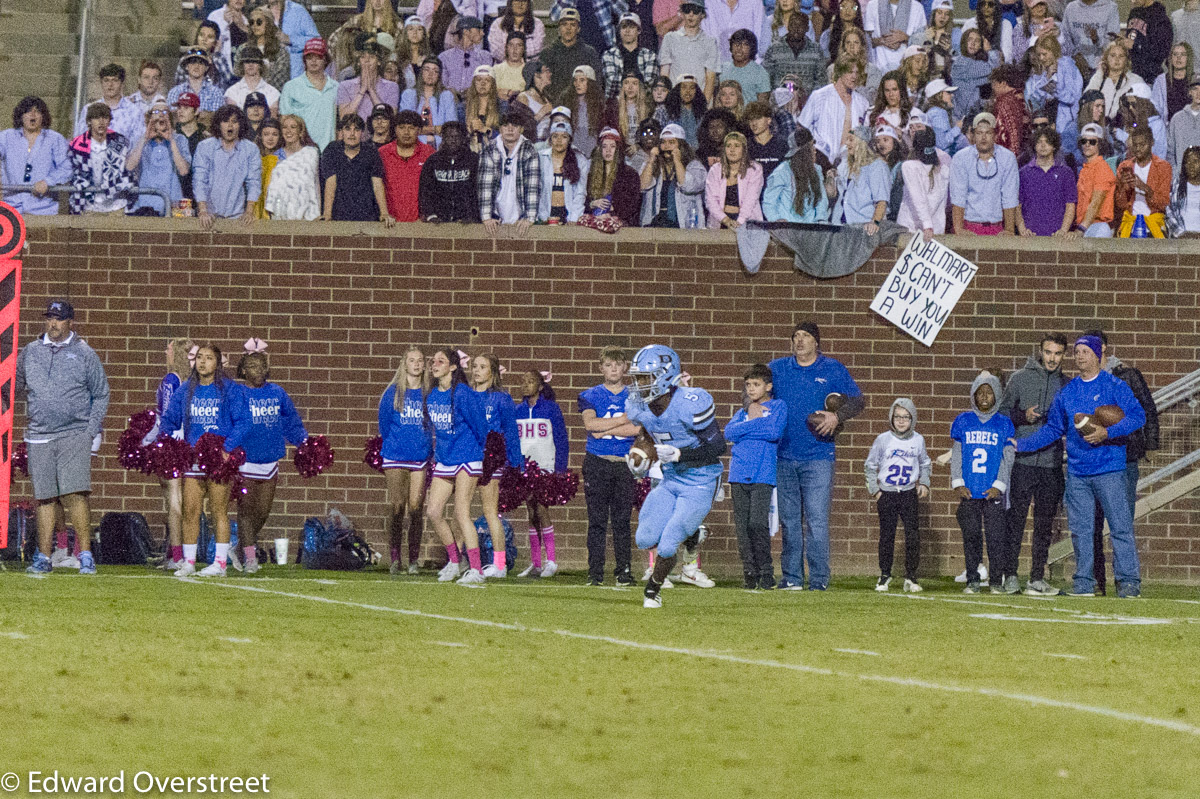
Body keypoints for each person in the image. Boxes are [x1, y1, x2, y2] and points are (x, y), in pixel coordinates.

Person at [1014, 335, 1146, 598]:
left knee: (1119, 527)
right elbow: (1053, 427)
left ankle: (1129, 581)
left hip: (1110, 468)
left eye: (1085, 351)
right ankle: (1083, 583)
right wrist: (1022, 445)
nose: (1080, 356)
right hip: (1078, 472)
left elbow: (1137, 416)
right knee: (1082, 531)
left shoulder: (1114, 385)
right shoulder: (1069, 391)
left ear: (1098, 355)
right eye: (1077, 352)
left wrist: (1107, 433)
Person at [623, 345, 726, 609]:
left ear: (666, 376)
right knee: (645, 539)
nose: (639, 385)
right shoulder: (641, 406)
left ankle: (653, 590)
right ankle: (691, 534)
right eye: (637, 378)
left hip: (701, 480)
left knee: (668, 545)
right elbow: (647, 433)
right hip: (671, 480)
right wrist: (640, 456)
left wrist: (681, 455)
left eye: (645, 378)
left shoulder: (690, 403)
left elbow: (718, 448)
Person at [769, 321, 864, 591]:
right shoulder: (777, 369)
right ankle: (792, 578)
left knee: (817, 520)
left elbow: (858, 401)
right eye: (796, 336)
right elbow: (754, 389)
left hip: (819, 455)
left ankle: (819, 580)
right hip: (784, 454)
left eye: (806, 336)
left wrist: (837, 415)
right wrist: (751, 406)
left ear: (816, 342)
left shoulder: (832, 369)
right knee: (789, 520)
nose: (800, 341)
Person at [17, 301, 110, 576]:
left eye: (59, 319)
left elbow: (101, 393)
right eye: (50, 318)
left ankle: (85, 555)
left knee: (74, 494)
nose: (53, 324)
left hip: (73, 434)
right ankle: (44, 557)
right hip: (39, 435)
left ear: (70, 322)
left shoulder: (84, 353)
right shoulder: (30, 352)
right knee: (45, 498)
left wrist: (89, 430)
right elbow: (17, 384)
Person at [224, 345, 308, 575]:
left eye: (261, 365)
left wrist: (305, 443)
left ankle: (239, 548)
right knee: (246, 512)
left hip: (270, 460)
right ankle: (250, 558)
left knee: (263, 512)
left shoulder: (277, 393)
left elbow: (291, 422)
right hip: (245, 460)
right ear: (242, 370)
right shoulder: (238, 393)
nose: (258, 370)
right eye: (252, 366)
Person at [1086, 329, 1159, 595]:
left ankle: (1126, 581)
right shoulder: (1083, 382)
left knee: (1121, 522)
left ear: (1104, 348)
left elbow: (1147, 409)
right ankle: (1095, 582)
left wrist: (1149, 444)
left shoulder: (1127, 376)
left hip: (1124, 458)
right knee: (1092, 523)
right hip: (1094, 460)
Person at [998, 334, 1068, 596]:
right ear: (1040, 351)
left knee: (1044, 524)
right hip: (1022, 462)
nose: (1052, 358)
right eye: (1048, 352)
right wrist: (1023, 416)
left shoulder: (1066, 384)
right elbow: (1003, 415)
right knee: (1014, 521)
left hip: (1051, 464)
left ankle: (1037, 577)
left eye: (1058, 353)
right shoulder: (1019, 378)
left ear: (1064, 355)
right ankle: (1011, 574)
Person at [160, 344, 238, 578]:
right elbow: (169, 419)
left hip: (219, 458)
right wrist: (167, 444)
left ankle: (220, 564)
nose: (203, 362)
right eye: (199, 358)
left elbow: (243, 421)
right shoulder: (185, 390)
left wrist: (227, 447)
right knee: (190, 510)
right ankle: (189, 562)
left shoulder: (229, 390)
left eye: (209, 358)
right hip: (193, 459)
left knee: (218, 510)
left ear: (218, 363)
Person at [423, 347, 489, 585]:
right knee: (433, 511)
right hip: (445, 458)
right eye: (433, 361)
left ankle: (476, 569)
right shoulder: (431, 395)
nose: (434, 364)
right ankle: (454, 561)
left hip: (467, 456)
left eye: (441, 361)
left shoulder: (462, 393)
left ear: (452, 367)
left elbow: (481, 425)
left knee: (461, 512)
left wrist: (477, 452)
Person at [579, 345, 640, 586]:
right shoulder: (590, 394)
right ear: (601, 368)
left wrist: (608, 425)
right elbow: (590, 426)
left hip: (624, 463)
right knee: (596, 520)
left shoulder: (635, 395)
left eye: (618, 364)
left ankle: (623, 572)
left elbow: (638, 429)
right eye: (608, 365)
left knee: (622, 520)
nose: (613, 369)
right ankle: (595, 573)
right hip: (597, 462)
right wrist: (625, 419)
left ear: (625, 367)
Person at [950, 372, 1015, 594]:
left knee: (996, 538)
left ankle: (996, 581)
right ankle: (973, 579)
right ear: (973, 395)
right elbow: (957, 454)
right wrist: (957, 482)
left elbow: (1008, 458)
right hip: (970, 491)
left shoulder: (1004, 423)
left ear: (997, 395)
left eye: (989, 392)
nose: (985, 396)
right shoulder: (963, 421)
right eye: (980, 392)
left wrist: (1000, 485)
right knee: (971, 537)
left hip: (992, 491)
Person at [724, 364, 786, 590]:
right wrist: (753, 421)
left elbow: (773, 432)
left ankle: (766, 571)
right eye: (748, 385)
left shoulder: (778, 406)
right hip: (738, 473)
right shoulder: (742, 412)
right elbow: (729, 433)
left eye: (756, 384)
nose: (751, 389)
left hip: (762, 474)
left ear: (768, 386)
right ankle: (749, 571)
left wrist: (749, 425)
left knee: (757, 523)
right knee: (742, 526)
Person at [865, 398, 930, 593]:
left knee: (912, 536)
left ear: (913, 419)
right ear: (891, 418)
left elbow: (925, 463)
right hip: (888, 493)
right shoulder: (883, 439)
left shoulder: (918, 440)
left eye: (906, 417)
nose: (901, 421)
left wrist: (924, 483)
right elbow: (870, 465)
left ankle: (911, 576)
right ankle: (885, 574)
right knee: (887, 535)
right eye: (897, 417)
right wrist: (875, 491)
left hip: (908, 493)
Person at [377, 347, 432, 574]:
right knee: (397, 506)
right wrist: (395, 444)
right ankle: (394, 558)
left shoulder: (429, 393)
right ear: (404, 364)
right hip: (395, 456)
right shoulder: (392, 392)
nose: (417, 364)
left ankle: (413, 560)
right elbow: (384, 424)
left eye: (420, 360)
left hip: (419, 456)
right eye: (412, 360)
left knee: (416, 507)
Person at [469, 354, 523, 579]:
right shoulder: (468, 396)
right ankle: (462, 562)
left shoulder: (501, 398)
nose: (477, 370)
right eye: (474, 366)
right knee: (459, 512)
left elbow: (511, 431)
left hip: (493, 459)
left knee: (490, 511)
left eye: (482, 367)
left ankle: (499, 563)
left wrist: (515, 463)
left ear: (493, 372)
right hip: (469, 457)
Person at [514, 370, 569, 578]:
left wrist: (560, 469)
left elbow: (562, 440)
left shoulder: (551, 409)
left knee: (542, 510)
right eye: (523, 381)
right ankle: (536, 563)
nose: (526, 385)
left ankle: (551, 560)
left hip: (545, 466)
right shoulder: (517, 410)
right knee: (531, 513)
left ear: (540, 386)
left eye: (531, 382)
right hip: (524, 469)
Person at [153, 338, 194, 572]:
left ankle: (177, 555)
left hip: (172, 441)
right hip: (187, 441)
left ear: (176, 354)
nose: (165, 352)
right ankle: (174, 552)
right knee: (178, 502)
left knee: (174, 502)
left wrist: (159, 441)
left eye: (168, 349)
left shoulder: (171, 380)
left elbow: (168, 413)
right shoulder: (192, 382)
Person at [949, 111, 1020, 234]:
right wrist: (959, 229)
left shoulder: (1008, 158)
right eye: (979, 133)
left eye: (988, 133)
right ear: (972, 135)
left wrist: (1009, 230)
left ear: (995, 135)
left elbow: (1010, 196)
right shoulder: (961, 158)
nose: (983, 137)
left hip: (997, 229)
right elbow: (958, 196)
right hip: (969, 227)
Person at [0, 96, 71, 216]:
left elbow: (68, 166)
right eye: (28, 111)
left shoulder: (55, 139)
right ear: (21, 116)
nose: (32, 115)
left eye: (37, 111)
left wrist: (48, 181)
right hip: (11, 206)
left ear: (43, 116)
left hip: (44, 207)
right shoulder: (6, 137)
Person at [193, 105, 261, 229]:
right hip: (209, 216)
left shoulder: (251, 149)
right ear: (219, 124)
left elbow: (254, 182)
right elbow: (199, 180)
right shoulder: (205, 147)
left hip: (237, 216)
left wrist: (249, 212)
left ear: (240, 125)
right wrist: (203, 211)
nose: (230, 126)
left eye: (234, 122)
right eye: (225, 121)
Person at [478, 111, 541, 236]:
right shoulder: (490, 149)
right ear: (500, 128)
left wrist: (529, 217)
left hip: (521, 213)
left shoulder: (530, 149)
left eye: (515, 126)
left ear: (521, 129)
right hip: (496, 214)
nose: (510, 129)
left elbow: (533, 185)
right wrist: (486, 216)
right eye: (506, 125)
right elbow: (485, 185)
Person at [319, 113, 391, 223]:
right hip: (339, 214)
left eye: (356, 129)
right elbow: (330, 182)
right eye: (347, 129)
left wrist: (384, 213)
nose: (352, 134)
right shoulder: (332, 150)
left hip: (367, 215)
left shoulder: (370, 152)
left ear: (362, 133)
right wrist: (327, 214)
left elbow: (377, 183)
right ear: (341, 132)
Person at [126, 103, 192, 216]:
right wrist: (145, 139)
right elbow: (129, 166)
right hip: (146, 202)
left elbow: (184, 171)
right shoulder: (140, 139)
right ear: (150, 118)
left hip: (173, 201)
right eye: (156, 112)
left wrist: (171, 140)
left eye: (165, 112)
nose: (161, 115)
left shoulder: (180, 139)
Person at [67, 103, 134, 216]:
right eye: (97, 118)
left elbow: (126, 170)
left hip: (116, 206)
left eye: (105, 117)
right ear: (89, 121)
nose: (101, 121)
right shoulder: (77, 145)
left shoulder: (119, 142)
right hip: (89, 206)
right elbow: (74, 173)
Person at [798, 57, 869, 161]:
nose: (854, 76)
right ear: (840, 72)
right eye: (850, 72)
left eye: (857, 72)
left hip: (850, 161)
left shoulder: (862, 103)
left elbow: (864, 135)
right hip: (820, 158)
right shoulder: (819, 96)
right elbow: (803, 127)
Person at [638, 122, 708, 226]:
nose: (666, 146)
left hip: (683, 224)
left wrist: (677, 161)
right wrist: (651, 160)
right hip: (654, 223)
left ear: (681, 145)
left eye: (671, 142)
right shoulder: (651, 164)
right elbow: (642, 185)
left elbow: (687, 185)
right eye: (663, 142)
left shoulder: (694, 166)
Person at [1025, 35, 1084, 158]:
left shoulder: (1067, 66)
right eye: (1039, 55)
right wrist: (1046, 80)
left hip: (1067, 123)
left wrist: (1054, 89)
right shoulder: (1046, 70)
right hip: (1050, 120)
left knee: (1066, 157)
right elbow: (1034, 99)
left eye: (1044, 54)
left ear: (1053, 52)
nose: (1041, 58)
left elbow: (1072, 97)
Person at [280, 38, 339, 151]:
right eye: (309, 57)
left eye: (318, 57)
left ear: (326, 60)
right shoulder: (291, 86)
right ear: (304, 60)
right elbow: (284, 120)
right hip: (301, 151)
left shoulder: (336, 87)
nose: (313, 61)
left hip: (329, 150)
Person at [1016, 127, 1077, 236]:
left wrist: (1063, 230)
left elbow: (1070, 205)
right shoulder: (1023, 173)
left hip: (1057, 237)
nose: (1043, 145)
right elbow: (1017, 205)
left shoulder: (1066, 173)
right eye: (1039, 142)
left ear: (1054, 146)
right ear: (1034, 145)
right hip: (1030, 237)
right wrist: (1022, 230)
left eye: (1047, 142)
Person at [1113, 125, 1172, 237]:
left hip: (1153, 224)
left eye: (1142, 145)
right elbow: (1120, 204)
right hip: (1130, 224)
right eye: (1135, 145)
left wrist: (1144, 188)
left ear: (1152, 143)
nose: (1138, 148)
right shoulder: (1124, 166)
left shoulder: (1163, 167)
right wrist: (1122, 187)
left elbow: (1163, 203)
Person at [763, 126, 831, 222]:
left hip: (811, 228)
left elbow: (821, 199)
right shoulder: (782, 172)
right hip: (787, 228)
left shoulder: (817, 170)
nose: (815, 150)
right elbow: (769, 202)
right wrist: (776, 219)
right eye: (811, 146)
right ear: (803, 151)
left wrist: (820, 219)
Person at [418, 121, 481, 222]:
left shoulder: (474, 160)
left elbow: (479, 191)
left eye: (457, 137)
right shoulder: (433, 161)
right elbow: (425, 191)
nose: (453, 140)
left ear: (464, 139)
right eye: (449, 137)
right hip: (439, 222)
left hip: (468, 221)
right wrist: (431, 215)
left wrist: (473, 215)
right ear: (443, 138)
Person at [658, 1, 720, 101]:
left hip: (699, 101)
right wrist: (667, 101)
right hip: (674, 101)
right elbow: (664, 74)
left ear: (702, 14)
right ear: (682, 14)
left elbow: (710, 77)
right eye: (687, 10)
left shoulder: (710, 42)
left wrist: (704, 104)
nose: (691, 14)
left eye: (695, 11)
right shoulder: (670, 38)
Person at [380, 110, 435, 222]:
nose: (406, 132)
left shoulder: (429, 153)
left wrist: (426, 216)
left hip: (420, 224)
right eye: (402, 127)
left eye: (411, 128)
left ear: (419, 130)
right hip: (389, 223)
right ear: (395, 130)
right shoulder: (382, 153)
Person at [832, 127, 891, 230]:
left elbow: (882, 201)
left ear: (861, 143)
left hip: (862, 227)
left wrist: (875, 222)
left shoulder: (877, 166)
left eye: (851, 139)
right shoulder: (847, 165)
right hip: (840, 225)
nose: (846, 143)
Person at [897, 126, 949, 240]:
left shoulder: (944, 169)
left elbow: (941, 204)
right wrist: (928, 225)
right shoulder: (909, 167)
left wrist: (933, 228)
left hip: (933, 231)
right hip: (910, 228)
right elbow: (918, 197)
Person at [264, 115, 319, 220]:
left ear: (301, 131)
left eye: (293, 127)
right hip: (281, 215)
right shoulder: (275, 157)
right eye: (285, 127)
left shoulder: (311, 153)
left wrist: (318, 211)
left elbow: (315, 184)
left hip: (307, 215)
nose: (288, 131)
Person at [586, 127, 644, 226]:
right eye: (604, 146)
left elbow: (633, 205)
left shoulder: (629, 174)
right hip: (595, 220)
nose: (608, 150)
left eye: (612, 146)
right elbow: (584, 201)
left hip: (620, 224)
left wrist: (612, 210)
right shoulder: (592, 174)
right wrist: (593, 204)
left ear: (617, 149)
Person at [705, 129, 763, 228]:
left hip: (746, 221)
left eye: (737, 146)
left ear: (744, 149)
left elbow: (751, 199)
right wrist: (725, 220)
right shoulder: (715, 169)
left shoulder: (754, 169)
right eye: (728, 146)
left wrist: (739, 222)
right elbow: (710, 200)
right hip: (720, 221)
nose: (732, 150)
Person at [1070, 121, 1117, 237]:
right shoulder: (1085, 169)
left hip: (1098, 226)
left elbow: (1096, 202)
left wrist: (1081, 229)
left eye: (1092, 142)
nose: (1087, 144)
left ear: (1099, 144)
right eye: (1084, 141)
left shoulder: (1102, 168)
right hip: (1086, 225)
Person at [762, 12, 827, 95]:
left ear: (807, 28)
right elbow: (766, 78)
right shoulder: (774, 48)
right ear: (788, 27)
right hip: (779, 100)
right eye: (793, 25)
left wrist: (808, 98)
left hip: (807, 101)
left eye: (800, 25)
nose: (796, 29)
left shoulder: (816, 49)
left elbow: (821, 80)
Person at [339, 37, 401, 123]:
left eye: (372, 57)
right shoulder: (344, 85)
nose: (367, 60)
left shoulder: (392, 87)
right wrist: (362, 91)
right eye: (363, 57)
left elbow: (390, 118)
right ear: (358, 62)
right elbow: (343, 117)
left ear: (379, 61)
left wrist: (371, 91)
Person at [74, 63, 142, 141]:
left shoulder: (134, 112)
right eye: (106, 80)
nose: (110, 85)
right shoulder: (88, 110)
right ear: (101, 83)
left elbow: (137, 143)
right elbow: (79, 139)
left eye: (115, 80)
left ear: (122, 83)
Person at [538, 120, 589, 222]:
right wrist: (541, 216)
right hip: (545, 213)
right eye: (555, 136)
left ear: (569, 140)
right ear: (550, 139)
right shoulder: (540, 157)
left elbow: (580, 193)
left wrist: (574, 218)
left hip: (569, 214)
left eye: (564, 136)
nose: (559, 140)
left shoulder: (580, 160)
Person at [401, 57, 457, 148]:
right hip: (413, 145)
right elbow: (405, 126)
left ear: (439, 75)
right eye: (427, 70)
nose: (430, 74)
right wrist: (435, 129)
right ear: (421, 72)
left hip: (440, 147)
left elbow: (451, 128)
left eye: (435, 71)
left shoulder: (446, 96)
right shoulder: (409, 94)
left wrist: (419, 130)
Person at [1084, 41, 1147, 121]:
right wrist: (1100, 73)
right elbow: (1086, 101)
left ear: (1126, 60)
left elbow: (1145, 108)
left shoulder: (1136, 80)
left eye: (1121, 56)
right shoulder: (1099, 77)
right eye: (1113, 55)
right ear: (1106, 58)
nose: (1117, 59)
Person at [604, 13, 661, 98]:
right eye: (624, 27)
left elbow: (649, 84)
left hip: (643, 103)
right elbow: (611, 83)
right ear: (619, 31)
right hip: (616, 103)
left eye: (631, 27)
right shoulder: (609, 55)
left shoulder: (650, 55)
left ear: (639, 31)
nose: (627, 31)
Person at [168, 48, 228, 127]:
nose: (196, 66)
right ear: (186, 66)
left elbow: (216, 121)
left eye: (201, 63)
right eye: (192, 62)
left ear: (206, 68)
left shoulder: (216, 93)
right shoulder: (175, 92)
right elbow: (173, 120)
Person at [951, 28, 1001, 122]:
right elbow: (993, 69)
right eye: (970, 39)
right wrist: (989, 50)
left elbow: (990, 76)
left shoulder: (973, 62)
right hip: (959, 117)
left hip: (970, 115)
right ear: (964, 42)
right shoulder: (960, 63)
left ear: (980, 46)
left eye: (977, 41)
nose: (973, 43)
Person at [864, 0, 927, 72]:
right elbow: (867, 40)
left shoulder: (917, 7)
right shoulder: (872, 5)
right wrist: (882, 41)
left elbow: (923, 43)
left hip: (907, 70)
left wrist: (906, 38)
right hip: (879, 67)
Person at [263, 0, 320, 79]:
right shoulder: (260, 12)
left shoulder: (297, 11)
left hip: (293, 78)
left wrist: (290, 40)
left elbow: (316, 41)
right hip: (267, 79)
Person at [240, 7, 292, 92]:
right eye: (251, 22)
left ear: (268, 23)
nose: (255, 26)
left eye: (259, 22)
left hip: (272, 96)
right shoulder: (243, 49)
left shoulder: (280, 51)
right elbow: (238, 74)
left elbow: (280, 81)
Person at [1125, 0, 1172, 84]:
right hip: (1130, 72)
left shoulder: (1161, 18)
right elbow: (1130, 36)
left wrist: (1136, 45)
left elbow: (1162, 51)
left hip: (1150, 76)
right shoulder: (1134, 13)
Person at [226, 46, 282, 115]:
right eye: (247, 61)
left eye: (254, 61)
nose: (250, 64)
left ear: (261, 65)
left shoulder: (273, 92)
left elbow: (272, 119)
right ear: (242, 65)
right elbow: (233, 118)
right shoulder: (232, 92)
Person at [720, 29, 771, 102]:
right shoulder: (722, 69)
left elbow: (762, 107)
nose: (739, 48)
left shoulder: (760, 73)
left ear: (752, 48)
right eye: (736, 43)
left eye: (744, 44)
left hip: (749, 113)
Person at [990, 62, 1029, 155]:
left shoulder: (1005, 102)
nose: (993, 88)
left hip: (1008, 156)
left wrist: (1012, 158)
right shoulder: (1019, 98)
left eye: (994, 84)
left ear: (1003, 83)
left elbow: (1012, 133)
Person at [124, 61, 168, 142]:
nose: (150, 82)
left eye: (155, 78)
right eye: (146, 77)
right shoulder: (128, 103)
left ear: (159, 81)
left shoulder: (165, 104)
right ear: (139, 80)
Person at [465, 65, 502, 152]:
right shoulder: (463, 107)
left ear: (492, 84)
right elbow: (457, 135)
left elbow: (506, 136)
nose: (483, 83)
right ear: (474, 83)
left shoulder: (502, 106)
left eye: (487, 80)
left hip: (494, 151)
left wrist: (486, 130)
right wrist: (469, 130)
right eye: (479, 80)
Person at [1154, 43, 1194, 124]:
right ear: (1171, 58)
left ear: (1188, 58)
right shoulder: (1161, 81)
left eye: (1183, 54)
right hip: (1168, 129)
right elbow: (1155, 109)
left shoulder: (1195, 80)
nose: (1178, 58)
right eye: (1175, 54)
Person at [208, 0, 250, 75]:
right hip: (219, 68)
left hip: (238, 71)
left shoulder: (246, 20)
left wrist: (241, 25)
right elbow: (211, 42)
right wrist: (225, 23)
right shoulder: (215, 16)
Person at [1168, 75, 1200, 174]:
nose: (1199, 93)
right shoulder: (1177, 118)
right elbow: (1170, 151)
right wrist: (1175, 174)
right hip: (1182, 180)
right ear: (1190, 92)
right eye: (1195, 89)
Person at [1165, 144, 1200, 235]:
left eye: (1195, 161)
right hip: (1182, 238)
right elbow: (1169, 213)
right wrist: (1181, 233)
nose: (1191, 166)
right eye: (1187, 162)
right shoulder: (1177, 185)